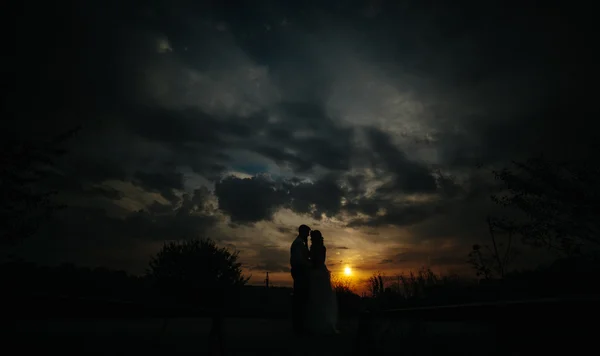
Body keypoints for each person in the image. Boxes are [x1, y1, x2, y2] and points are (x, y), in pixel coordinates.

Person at [304, 230, 339, 334]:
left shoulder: (321, 248)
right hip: (316, 273)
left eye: (312, 238)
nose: (311, 240)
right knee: (316, 298)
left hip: (318, 273)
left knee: (321, 297)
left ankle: (322, 323)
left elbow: (319, 260)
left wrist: (311, 263)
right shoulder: (316, 247)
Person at [290, 224, 311, 334]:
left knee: (301, 298)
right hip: (300, 272)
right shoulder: (298, 244)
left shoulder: (301, 243)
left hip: (300, 272)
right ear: (302, 232)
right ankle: (298, 326)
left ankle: (300, 325)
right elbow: (299, 261)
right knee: (299, 298)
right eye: (307, 233)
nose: (308, 236)